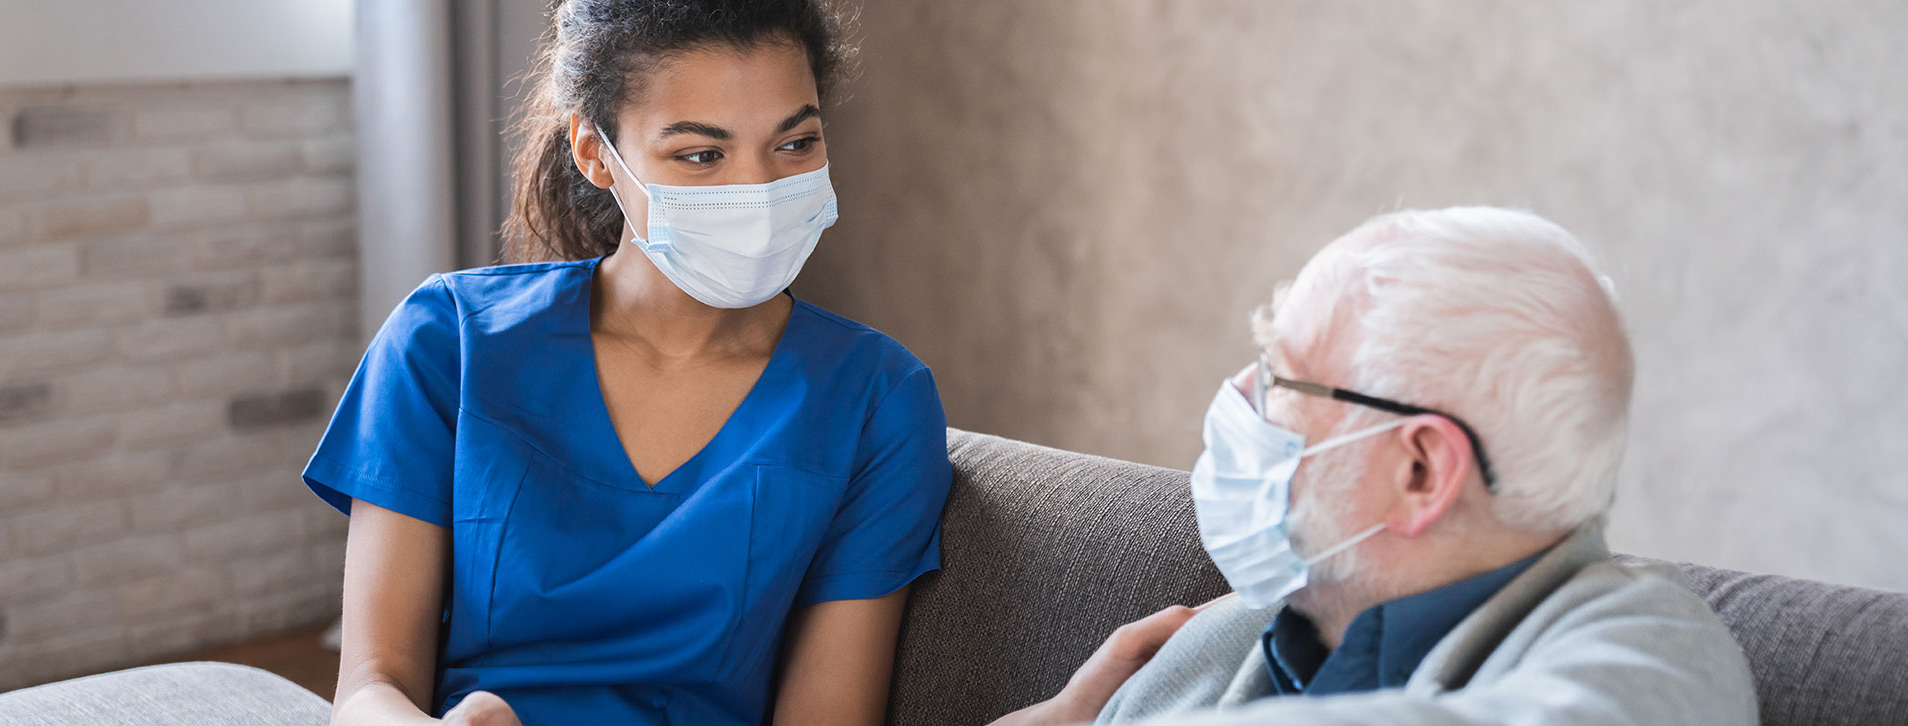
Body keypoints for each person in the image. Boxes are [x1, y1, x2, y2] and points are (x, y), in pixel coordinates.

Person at [301, 2, 951, 724]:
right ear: (594, 152)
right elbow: (370, 686)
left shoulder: (878, 399)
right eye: (702, 155)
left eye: (795, 143)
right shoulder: (447, 342)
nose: (758, 190)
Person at [998, 207, 1758, 725]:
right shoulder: (1217, 637)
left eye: (1280, 377)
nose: (1237, 400)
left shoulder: (1653, 643)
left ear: (1421, 471)